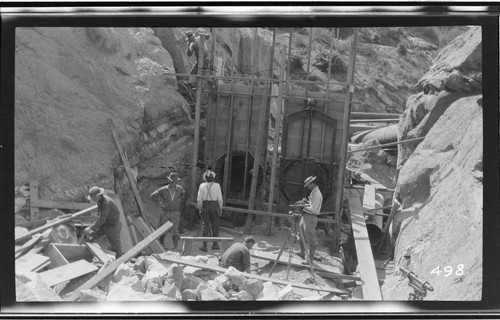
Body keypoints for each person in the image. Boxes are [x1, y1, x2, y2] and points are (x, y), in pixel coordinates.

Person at [84, 186, 123, 259]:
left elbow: (102, 219)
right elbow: (101, 218)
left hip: (112, 226)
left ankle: (119, 264)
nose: (93, 200)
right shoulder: (100, 201)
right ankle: (88, 255)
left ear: (98, 196)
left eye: (94, 198)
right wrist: (92, 230)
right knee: (92, 236)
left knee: (117, 248)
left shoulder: (106, 203)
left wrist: (90, 228)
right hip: (105, 224)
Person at [150, 172, 186, 251]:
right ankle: (162, 244)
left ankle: (175, 248)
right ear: (169, 181)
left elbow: (183, 194)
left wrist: (179, 201)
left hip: (175, 212)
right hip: (165, 213)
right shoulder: (163, 189)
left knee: (175, 231)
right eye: (172, 181)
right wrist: (160, 204)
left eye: (175, 181)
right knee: (163, 229)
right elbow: (153, 195)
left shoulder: (179, 188)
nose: (173, 183)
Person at [295, 176, 323, 264]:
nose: (307, 187)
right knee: (301, 233)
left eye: (308, 185)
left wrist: (303, 206)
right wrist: (306, 202)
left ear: (311, 184)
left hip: (311, 217)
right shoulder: (313, 192)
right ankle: (302, 252)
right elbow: (311, 205)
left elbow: (314, 209)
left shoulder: (317, 194)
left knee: (311, 238)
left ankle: (310, 259)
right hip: (306, 216)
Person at [196, 169, 223, 252]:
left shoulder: (202, 186)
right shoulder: (217, 185)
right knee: (215, 225)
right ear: (212, 178)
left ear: (205, 178)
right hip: (214, 206)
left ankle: (204, 246)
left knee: (205, 226)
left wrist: (200, 208)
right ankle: (215, 244)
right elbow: (220, 199)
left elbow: (199, 199)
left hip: (205, 206)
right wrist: (220, 208)